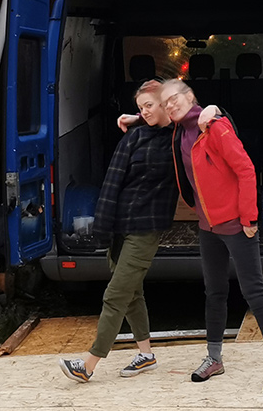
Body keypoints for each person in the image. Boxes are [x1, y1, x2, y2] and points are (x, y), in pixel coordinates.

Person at [160, 78, 263, 394]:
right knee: (214, 292)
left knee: (253, 291)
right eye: (165, 103)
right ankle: (214, 359)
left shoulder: (214, 126)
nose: (170, 105)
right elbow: (150, 113)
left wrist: (250, 217)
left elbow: (245, 169)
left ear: (190, 96)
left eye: (174, 98)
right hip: (208, 226)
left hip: (235, 222)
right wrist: (130, 117)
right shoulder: (181, 130)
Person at [58, 80, 178, 383]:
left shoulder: (179, 137)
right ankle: (146, 354)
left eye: (149, 105)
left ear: (167, 103)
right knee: (132, 292)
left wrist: (143, 116)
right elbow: (113, 180)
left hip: (146, 227)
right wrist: (104, 224)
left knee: (115, 295)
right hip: (120, 223)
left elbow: (210, 119)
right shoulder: (135, 136)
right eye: (139, 108)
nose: (143, 112)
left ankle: (89, 363)